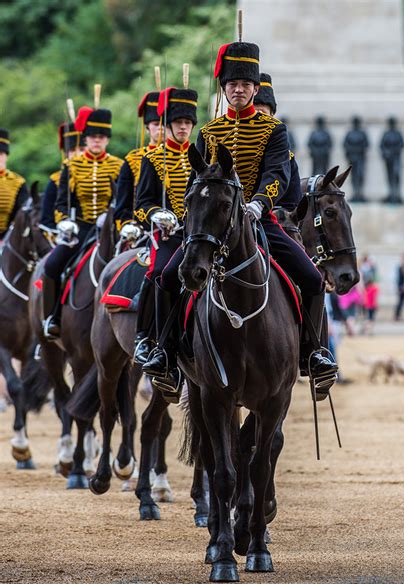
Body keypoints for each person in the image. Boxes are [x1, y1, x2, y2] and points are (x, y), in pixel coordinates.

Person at [143, 40, 338, 393]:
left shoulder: (272, 131)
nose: (239, 90)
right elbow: (195, 183)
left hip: (257, 218)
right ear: (224, 88)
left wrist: (260, 203)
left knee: (310, 278)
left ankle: (315, 353)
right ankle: (166, 354)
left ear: (254, 89)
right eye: (233, 85)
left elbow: (277, 174)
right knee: (169, 277)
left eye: (245, 85)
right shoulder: (208, 133)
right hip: (214, 224)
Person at [132, 85, 198, 376]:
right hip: (169, 235)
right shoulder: (154, 159)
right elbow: (141, 203)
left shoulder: (201, 156)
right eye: (178, 123)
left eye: (187, 123)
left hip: (199, 235)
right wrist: (157, 214)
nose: (183, 127)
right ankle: (148, 339)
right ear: (169, 125)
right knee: (160, 273)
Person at [42, 105, 123, 339]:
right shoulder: (72, 166)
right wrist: (65, 221)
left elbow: (126, 198)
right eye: (92, 137)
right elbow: (61, 203)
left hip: (112, 229)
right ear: (85, 138)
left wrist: (116, 219)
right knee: (52, 265)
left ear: (107, 139)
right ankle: (52, 317)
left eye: (101, 137)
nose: (97, 141)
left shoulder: (118, 166)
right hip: (82, 228)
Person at [114, 89, 162, 233]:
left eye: (163, 124)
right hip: (141, 229)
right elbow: (123, 203)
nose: (160, 128)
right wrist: (127, 223)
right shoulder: (133, 159)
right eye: (155, 124)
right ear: (147, 128)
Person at [253, 72, 302, 211]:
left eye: (262, 113)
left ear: (272, 116)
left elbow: (292, 204)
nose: (258, 119)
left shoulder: (287, 157)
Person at [40, 121, 83, 234]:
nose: (77, 155)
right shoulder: (55, 181)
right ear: (66, 153)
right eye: (73, 150)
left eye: (82, 149)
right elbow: (47, 221)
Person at [0, 128, 28, 240]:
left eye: (0, 153)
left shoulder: (18, 183)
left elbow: (21, 216)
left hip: (6, 240)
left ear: (6, 155)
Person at [343, 116, 369, 201]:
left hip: (360, 158)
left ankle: (360, 193)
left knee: (360, 175)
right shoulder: (349, 133)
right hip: (352, 158)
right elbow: (345, 144)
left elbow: (366, 144)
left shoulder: (362, 133)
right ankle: (355, 193)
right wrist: (351, 150)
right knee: (353, 176)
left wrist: (358, 149)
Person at [380, 116, 404, 203]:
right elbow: (382, 145)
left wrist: (393, 151)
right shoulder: (386, 134)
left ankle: (397, 194)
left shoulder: (398, 134)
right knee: (390, 176)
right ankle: (391, 194)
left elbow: (402, 144)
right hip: (389, 159)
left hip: (396, 158)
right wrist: (386, 152)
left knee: (396, 175)